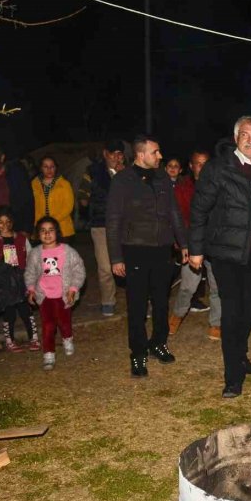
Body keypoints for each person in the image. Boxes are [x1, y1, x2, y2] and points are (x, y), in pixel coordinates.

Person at [189, 116, 251, 398]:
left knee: (247, 312)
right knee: (231, 313)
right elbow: (199, 209)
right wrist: (195, 248)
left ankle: (241, 356)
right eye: (244, 134)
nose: (250, 139)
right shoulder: (219, 169)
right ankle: (232, 376)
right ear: (236, 138)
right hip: (227, 254)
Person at [106, 134, 187, 378]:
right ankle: (138, 353)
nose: (160, 156)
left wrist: (183, 242)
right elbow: (113, 221)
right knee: (138, 306)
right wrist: (116, 257)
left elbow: (174, 212)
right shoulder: (123, 181)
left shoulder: (162, 178)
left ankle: (158, 343)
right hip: (135, 249)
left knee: (162, 301)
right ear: (141, 155)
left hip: (162, 249)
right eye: (156, 152)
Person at [170, 149, 221, 340]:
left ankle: (216, 323)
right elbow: (179, 219)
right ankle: (177, 315)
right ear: (191, 166)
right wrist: (183, 244)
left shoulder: (218, 186)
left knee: (217, 287)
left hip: (215, 246)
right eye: (198, 163)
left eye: (205, 163)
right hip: (193, 246)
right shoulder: (183, 189)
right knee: (187, 286)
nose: (202, 167)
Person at [25, 217, 86, 371]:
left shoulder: (68, 251)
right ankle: (49, 354)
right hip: (44, 295)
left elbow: (79, 270)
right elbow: (30, 272)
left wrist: (73, 288)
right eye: (43, 231)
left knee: (64, 322)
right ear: (38, 234)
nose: (47, 234)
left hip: (63, 295)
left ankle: (67, 338)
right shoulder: (35, 253)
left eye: (50, 230)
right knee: (48, 325)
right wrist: (31, 289)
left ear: (57, 232)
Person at [0, 206, 39, 352]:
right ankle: (10, 341)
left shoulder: (21, 239)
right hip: (4, 282)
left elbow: (31, 256)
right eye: (0, 222)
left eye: (8, 221)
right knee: (9, 312)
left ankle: (34, 339)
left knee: (26, 310)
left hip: (21, 280)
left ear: (12, 222)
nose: (4, 225)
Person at [78, 140, 125, 316]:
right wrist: (92, 206)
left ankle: (139, 299)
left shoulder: (129, 172)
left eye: (120, 153)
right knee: (106, 267)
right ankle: (108, 301)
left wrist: (125, 177)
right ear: (105, 154)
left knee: (132, 263)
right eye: (113, 153)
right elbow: (82, 197)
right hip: (101, 224)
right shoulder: (92, 171)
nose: (116, 157)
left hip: (126, 225)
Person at [31, 156, 76, 244]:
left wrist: (52, 221)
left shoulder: (64, 184)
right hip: (41, 228)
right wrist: (40, 223)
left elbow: (68, 206)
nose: (49, 169)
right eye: (46, 167)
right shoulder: (34, 184)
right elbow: (32, 206)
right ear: (40, 168)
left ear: (56, 168)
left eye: (52, 166)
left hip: (62, 229)